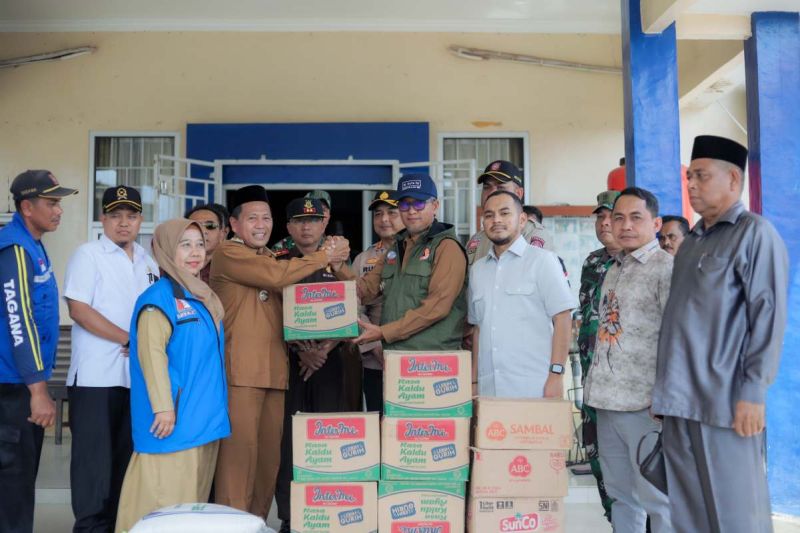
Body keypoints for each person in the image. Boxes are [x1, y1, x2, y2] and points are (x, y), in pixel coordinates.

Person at [652, 135, 788, 533]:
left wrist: (753, 392)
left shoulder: (754, 235)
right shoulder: (692, 242)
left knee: (735, 515)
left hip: (725, 403)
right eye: (689, 176)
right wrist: (662, 390)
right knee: (688, 514)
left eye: (701, 176)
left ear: (733, 180)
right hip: (679, 402)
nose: (691, 184)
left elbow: (768, 316)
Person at [210, 186, 349, 521]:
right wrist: (324, 255)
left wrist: (316, 345)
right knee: (238, 464)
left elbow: (302, 309)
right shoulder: (230, 253)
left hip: (276, 376)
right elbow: (277, 277)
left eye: (266, 217)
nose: (261, 224)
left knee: (267, 465)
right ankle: (231, 527)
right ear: (234, 223)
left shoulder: (269, 257)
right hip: (241, 375)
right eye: (253, 217)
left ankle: (255, 525)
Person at [114, 219, 229, 532]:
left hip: (204, 423)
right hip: (172, 424)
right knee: (161, 509)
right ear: (165, 250)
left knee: (190, 511)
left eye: (200, 244)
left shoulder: (200, 296)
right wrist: (164, 408)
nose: (195, 252)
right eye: (185, 244)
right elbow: (152, 356)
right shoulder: (159, 300)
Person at [63, 186, 158, 533]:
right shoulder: (88, 254)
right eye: (115, 215)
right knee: (93, 467)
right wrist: (129, 339)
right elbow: (79, 309)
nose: (123, 223)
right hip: (95, 379)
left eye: (131, 216)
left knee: (124, 464)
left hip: (134, 380)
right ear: (103, 219)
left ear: (140, 221)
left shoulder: (149, 263)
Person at [583, 187, 673, 533]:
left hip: (644, 406)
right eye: (618, 217)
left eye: (636, 218)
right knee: (621, 497)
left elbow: (677, 337)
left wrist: (665, 395)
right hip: (606, 402)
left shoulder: (665, 269)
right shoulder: (614, 268)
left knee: (657, 499)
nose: (625, 225)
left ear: (656, 223)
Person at [0, 169, 77, 533]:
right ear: (27, 207)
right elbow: (20, 322)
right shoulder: (15, 249)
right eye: (52, 203)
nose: (59, 210)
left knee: (20, 482)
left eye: (59, 202)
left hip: (22, 385)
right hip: (13, 390)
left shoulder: (33, 244)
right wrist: (38, 390)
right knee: (12, 487)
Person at [274, 197, 355, 533]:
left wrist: (324, 348)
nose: (306, 227)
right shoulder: (277, 258)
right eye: (298, 221)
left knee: (329, 437)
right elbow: (269, 309)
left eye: (313, 220)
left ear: (325, 222)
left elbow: (354, 298)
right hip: (290, 360)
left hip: (333, 360)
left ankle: (329, 513)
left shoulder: (338, 258)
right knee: (289, 439)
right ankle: (291, 516)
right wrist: (301, 350)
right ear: (289, 226)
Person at [468, 191, 576, 398]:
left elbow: (563, 318)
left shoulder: (543, 261)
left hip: (534, 388)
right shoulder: (478, 270)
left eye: (505, 213)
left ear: (522, 220)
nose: (496, 220)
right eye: (489, 215)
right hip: (489, 389)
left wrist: (556, 375)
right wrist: (474, 381)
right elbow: (478, 328)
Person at [351, 174, 468, 351]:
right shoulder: (396, 249)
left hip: (433, 360)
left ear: (435, 206)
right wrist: (335, 266)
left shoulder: (447, 247)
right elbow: (365, 290)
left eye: (419, 203)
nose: (411, 211)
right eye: (405, 204)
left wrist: (385, 332)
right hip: (396, 356)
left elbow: (437, 307)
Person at [576, 190, 621, 522]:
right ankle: (616, 521)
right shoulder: (592, 262)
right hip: (592, 382)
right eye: (600, 217)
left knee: (633, 464)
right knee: (597, 457)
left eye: (613, 216)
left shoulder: (638, 265)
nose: (605, 223)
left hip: (625, 389)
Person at [352, 191, 404, 412]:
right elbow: (353, 307)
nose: (384, 219)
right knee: (378, 421)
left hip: (413, 357)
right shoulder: (363, 259)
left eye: (391, 212)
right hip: (375, 361)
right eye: (378, 214)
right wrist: (374, 348)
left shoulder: (421, 254)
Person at [465, 160, 554, 266]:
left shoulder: (533, 233)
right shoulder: (477, 239)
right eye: (487, 187)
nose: (492, 193)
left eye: (501, 187)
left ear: (518, 193)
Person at [272, 190, 333, 254]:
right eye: (300, 220)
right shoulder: (281, 248)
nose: (306, 227)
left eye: (323, 210)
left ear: (329, 216)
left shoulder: (335, 246)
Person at [185, 203, 229, 283]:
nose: (203, 231)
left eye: (210, 226)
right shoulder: (170, 266)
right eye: (196, 226)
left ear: (222, 234)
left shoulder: (231, 268)